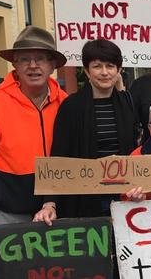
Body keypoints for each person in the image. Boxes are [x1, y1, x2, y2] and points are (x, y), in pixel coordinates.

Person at [0, 26, 68, 245]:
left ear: (52, 65)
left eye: (40, 59)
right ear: (14, 65)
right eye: (24, 59)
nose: (33, 65)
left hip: (58, 210)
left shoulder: (66, 104)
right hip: (9, 214)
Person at [33, 39, 138, 225]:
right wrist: (50, 203)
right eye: (97, 66)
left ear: (119, 70)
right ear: (87, 71)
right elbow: (59, 155)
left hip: (125, 198)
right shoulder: (71, 106)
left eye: (110, 66)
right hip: (84, 199)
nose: (104, 72)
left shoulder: (128, 103)